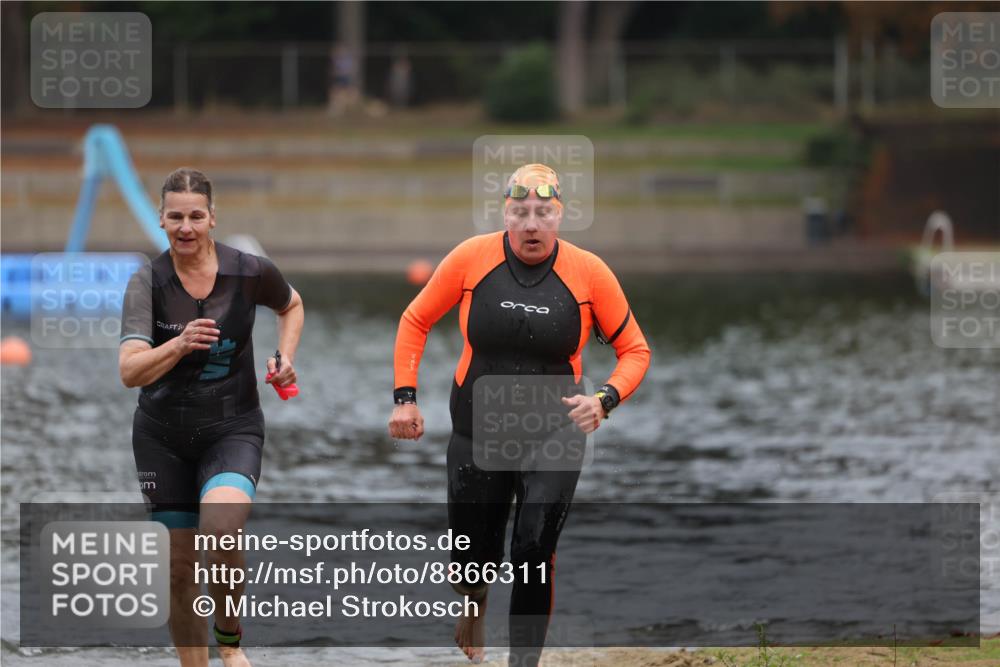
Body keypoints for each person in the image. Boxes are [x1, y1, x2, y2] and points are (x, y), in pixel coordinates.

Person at [388, 163, 650, 665]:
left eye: (544, 213)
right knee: (471, 562)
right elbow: (415, 319)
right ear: (505, 213)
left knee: (533, 553)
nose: (532, 224)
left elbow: (635, 350)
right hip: (475, 431)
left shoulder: (590, 272)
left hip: (554, 433)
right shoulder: (471, 258)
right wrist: (405, 398)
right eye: (521, 212)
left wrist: (604, 400)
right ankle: (475, 601)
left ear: (560, 215)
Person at [119, 168, 304, 667]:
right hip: (161, 437)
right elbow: (129, 371)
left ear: (212, 218)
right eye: (175, 216)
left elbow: (292, 306)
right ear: (161, 220)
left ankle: (229, 643)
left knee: (222, 533)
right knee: (179, 570)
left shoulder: (249, 271)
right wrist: (177, 345)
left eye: (195, 216)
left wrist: (285, 356)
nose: (186, 227)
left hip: (233, 426)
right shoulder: (147, 282)